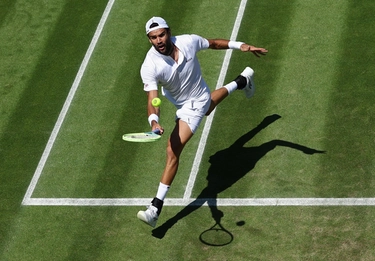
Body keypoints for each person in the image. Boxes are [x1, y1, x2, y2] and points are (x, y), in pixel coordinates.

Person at [137, 17, 268, 227]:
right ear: (149, 39)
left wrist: (240, 45)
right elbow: (152, 98)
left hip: (195, 102)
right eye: (153, 37)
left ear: (169, 32)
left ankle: (155, 208)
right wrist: (154, 121)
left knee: (173, 150)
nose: (159, 40)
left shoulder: (188, 42)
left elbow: (214, 43)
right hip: (179, 98)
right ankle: (242, 81)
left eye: (161, 34)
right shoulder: (150, 65)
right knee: (208, 107)